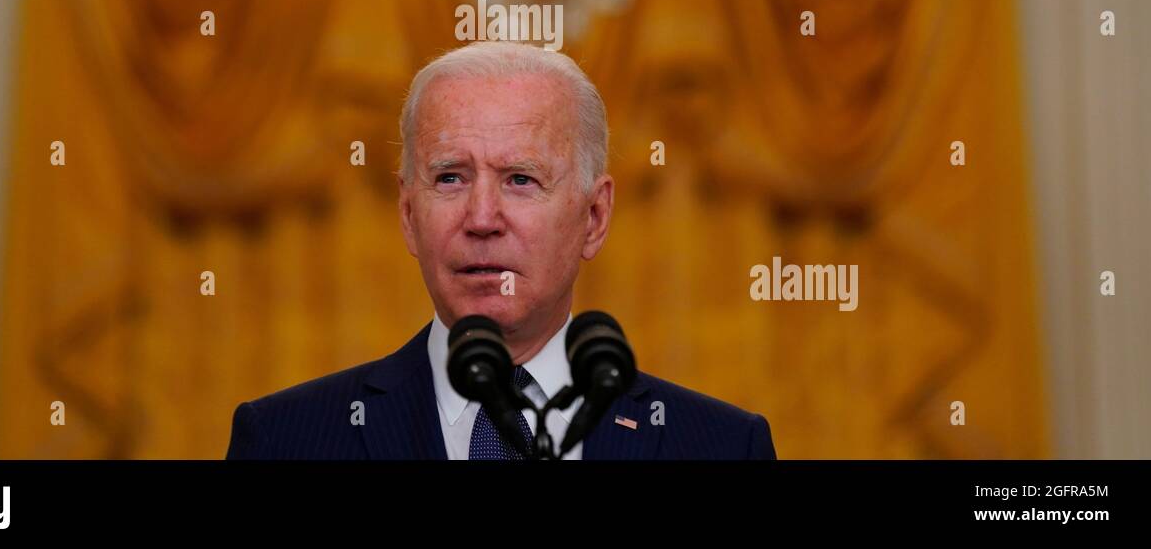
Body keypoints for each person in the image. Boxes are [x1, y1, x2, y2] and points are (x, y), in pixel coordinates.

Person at [226, 41, 776, 459]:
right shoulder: (285, 440)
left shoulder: (721, 447)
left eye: (519, 179)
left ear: (594, 216)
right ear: (408, 214)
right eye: (449, 178)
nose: (482, 218)